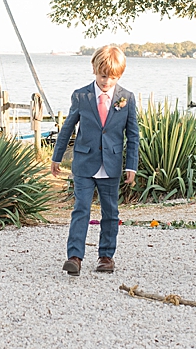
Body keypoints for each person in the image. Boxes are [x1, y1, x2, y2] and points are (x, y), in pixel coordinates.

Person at [51, 45, 139, 275]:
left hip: (111, 165)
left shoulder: (126, 98)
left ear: (119, 75)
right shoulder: (81, 96)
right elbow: (68, 127)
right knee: (81, 208)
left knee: (110, 212)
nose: (107, 81)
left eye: (113, 77)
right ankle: (75, 256)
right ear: (94, 69)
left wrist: (132, 165)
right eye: (103, 76)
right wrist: (57, 156)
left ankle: (106, 256)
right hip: (84, 164)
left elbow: (133, 135)